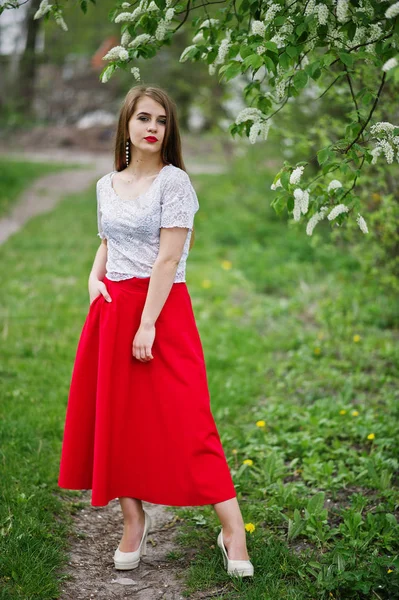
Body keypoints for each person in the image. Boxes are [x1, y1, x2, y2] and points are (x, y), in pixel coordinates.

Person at [57, 85, 254, 578]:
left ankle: (232, 530)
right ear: (126, 123)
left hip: (161, 311)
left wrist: (147, 322)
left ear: (169, 129)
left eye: (161, 120)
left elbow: (168, 258)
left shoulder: (175, 183)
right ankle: (133, 519)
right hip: (111, 308)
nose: (152, 127)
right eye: (143, 117)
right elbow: (107, 239)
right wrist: (92, 275)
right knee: (119, 420)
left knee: (190, 420)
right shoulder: (107, 184)